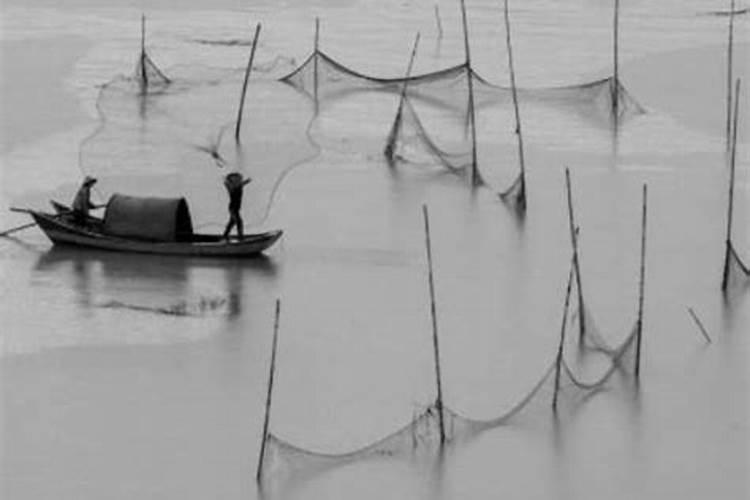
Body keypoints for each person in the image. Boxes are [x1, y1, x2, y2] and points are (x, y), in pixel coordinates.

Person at [223, 172, 251, 240]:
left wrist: (246, 181)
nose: (240, 179)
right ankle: (240, 238)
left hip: (235, 208)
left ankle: (225, 236)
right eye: (237, 179)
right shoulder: (232, 187)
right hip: (233, 209)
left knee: (232, 222)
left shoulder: (237, 186)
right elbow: (229, 184)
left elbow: (241, 184)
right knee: (239, 222)